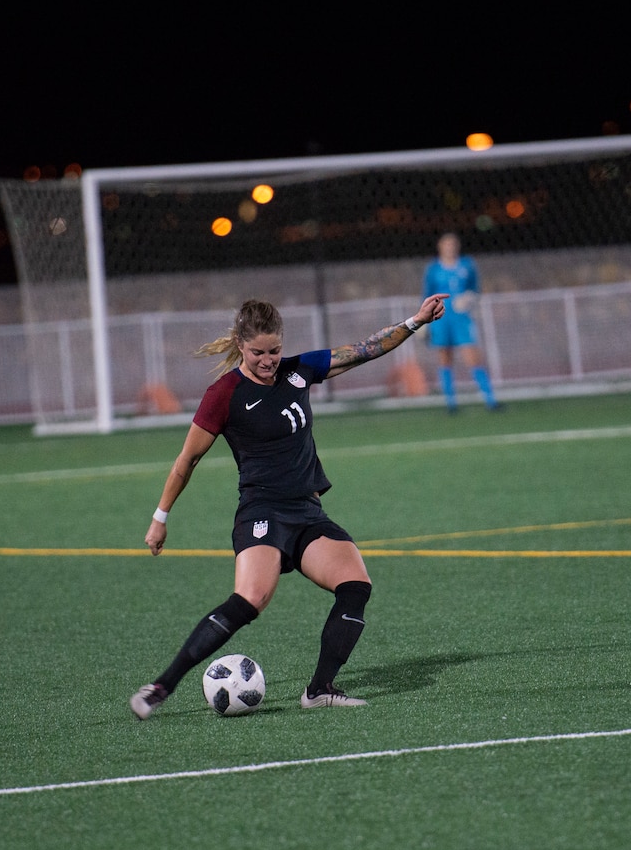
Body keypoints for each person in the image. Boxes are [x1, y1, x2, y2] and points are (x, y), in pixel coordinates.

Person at [129, 292, 449, 719]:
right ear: (241, 346)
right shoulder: (224, 393)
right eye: (258, 352)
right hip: (262, 513)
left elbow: (365, 350)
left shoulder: (299, 371)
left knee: (355, 587)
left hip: (307, 513)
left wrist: (415, 322)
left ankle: (319, 689)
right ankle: (160, 687)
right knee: (250, 600)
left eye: (275, 350)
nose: (268, 360)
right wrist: (160, 518)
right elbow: (187, 460)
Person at [422, 232, 500, 412]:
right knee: (444, 358)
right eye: (446, 244)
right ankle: (451, 403)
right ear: (440, 247)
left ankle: (490, 400)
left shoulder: (467, 264)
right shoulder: (433, 269)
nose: (450, 248)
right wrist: (424, 322)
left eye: (453, 244)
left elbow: (475, 289)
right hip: (440, 318)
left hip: (461, 318)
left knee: (472, 357)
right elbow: (427, 294)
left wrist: (468, 298)